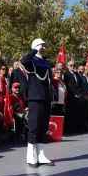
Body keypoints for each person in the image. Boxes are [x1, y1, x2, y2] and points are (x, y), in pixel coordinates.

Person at [20, 38, 55, 167]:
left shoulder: (45, 62)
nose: (44, 47)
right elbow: (23, 61)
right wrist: (34, 51)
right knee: (33, 127)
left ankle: (41, 155)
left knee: (43, 127)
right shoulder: (32, 60)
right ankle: (31, 157)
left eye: (44, 45)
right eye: (42, 45)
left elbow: (49, 80)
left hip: (45, 97)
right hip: (35, 97)